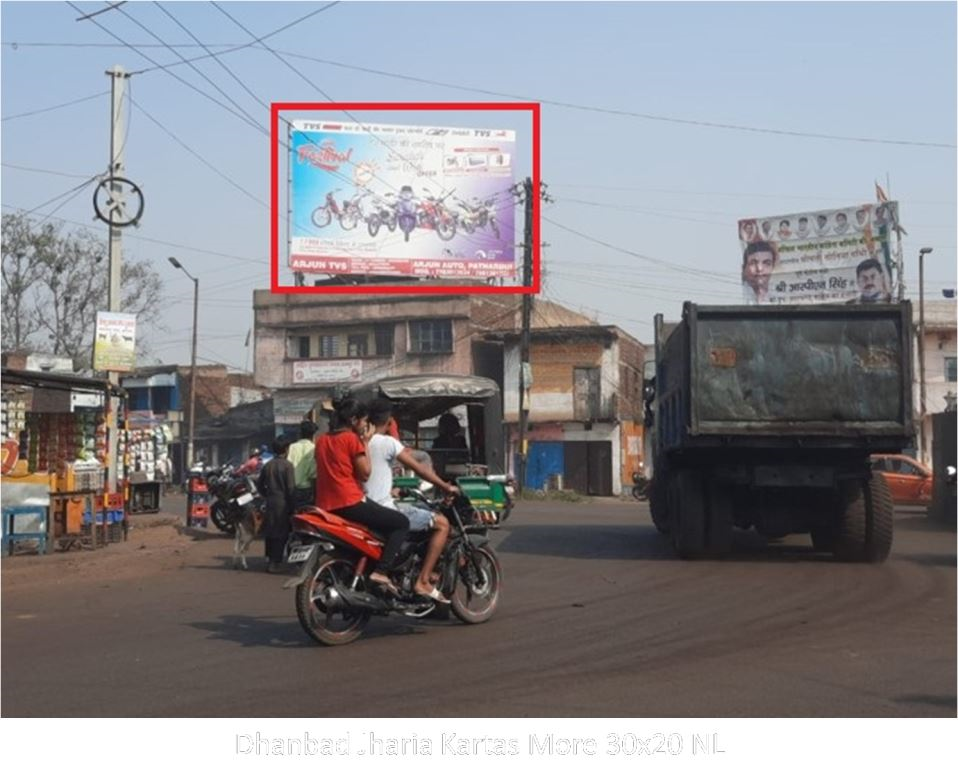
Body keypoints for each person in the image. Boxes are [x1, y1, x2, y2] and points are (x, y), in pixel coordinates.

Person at [365, 399, 458, 603]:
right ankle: (423, 581)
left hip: (364, 506)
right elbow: (420, 468)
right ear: (390, 422)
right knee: (442, 524)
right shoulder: (387, 442)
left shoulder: (359, 441)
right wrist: (445, 486)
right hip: (383, 508)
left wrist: (392, 489)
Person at [314, 397, 410, 593]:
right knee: (401, 523)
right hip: (350, 501)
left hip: (325, 504)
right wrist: (365, 442)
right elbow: (365, 474)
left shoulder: (322, 440)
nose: (366, 425)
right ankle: (381, 571)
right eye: (364, 421)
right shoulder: (351, 439)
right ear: (354, 420)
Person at [256, 436, 296, 574]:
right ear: (286, 450)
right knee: (281, 533)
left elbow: (259, 485)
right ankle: (275, 562)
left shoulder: (268, 465)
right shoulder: (288, 466)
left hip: (270, 501)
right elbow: (290, 488)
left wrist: (266, 494)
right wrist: (293, 506)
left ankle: (270, 558)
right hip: (283, 503)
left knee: (270, 531)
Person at [287, 420, 318, 506]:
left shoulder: (292, 447)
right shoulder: (314, 448)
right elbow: (313, 474)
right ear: (313, 434)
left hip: (292, 488)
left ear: (300, 433)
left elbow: (288, 466)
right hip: (307, 489)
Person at [741, 240, 778, 304]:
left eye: (767, 263)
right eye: (753, 263)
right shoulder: (736, 293)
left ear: (773, 267)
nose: (759, 269)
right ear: (744, 268)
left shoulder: (779, 294)